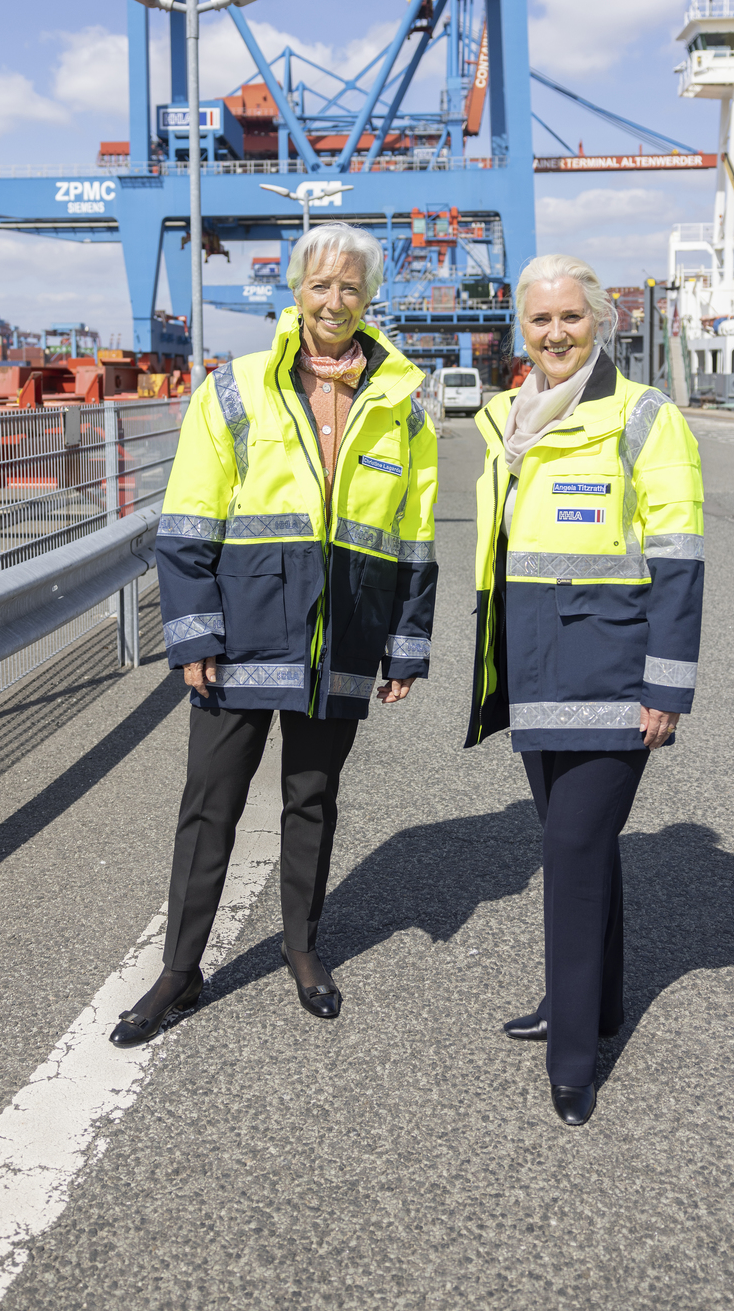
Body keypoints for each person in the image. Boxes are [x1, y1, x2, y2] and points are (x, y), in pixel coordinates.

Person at [111, 222, 439, 1046]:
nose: (334, 301)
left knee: (312, 800)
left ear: (370, 297)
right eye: (319, 285)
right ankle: (179, 973)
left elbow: (414, 536)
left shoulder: (401, 403)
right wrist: (193, 637)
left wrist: (405, 643)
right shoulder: (236, 388)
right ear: (294, 292)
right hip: (242, 632)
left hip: (343, 636)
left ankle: (301, 949)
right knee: (208, 806)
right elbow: (187, 524)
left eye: (350, 287)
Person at [465, 254, 704, 1125]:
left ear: (598, 321)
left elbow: (678, 560)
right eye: (539, 320)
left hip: (614, 676)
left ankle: (572, 1059)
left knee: (567, 852)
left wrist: (666, 687)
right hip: (535, 674)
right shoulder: (505, 419)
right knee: (584, 845)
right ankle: (595, 1006)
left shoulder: (644, 417)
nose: (555, 334)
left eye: (570, 317)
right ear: (521, 327)